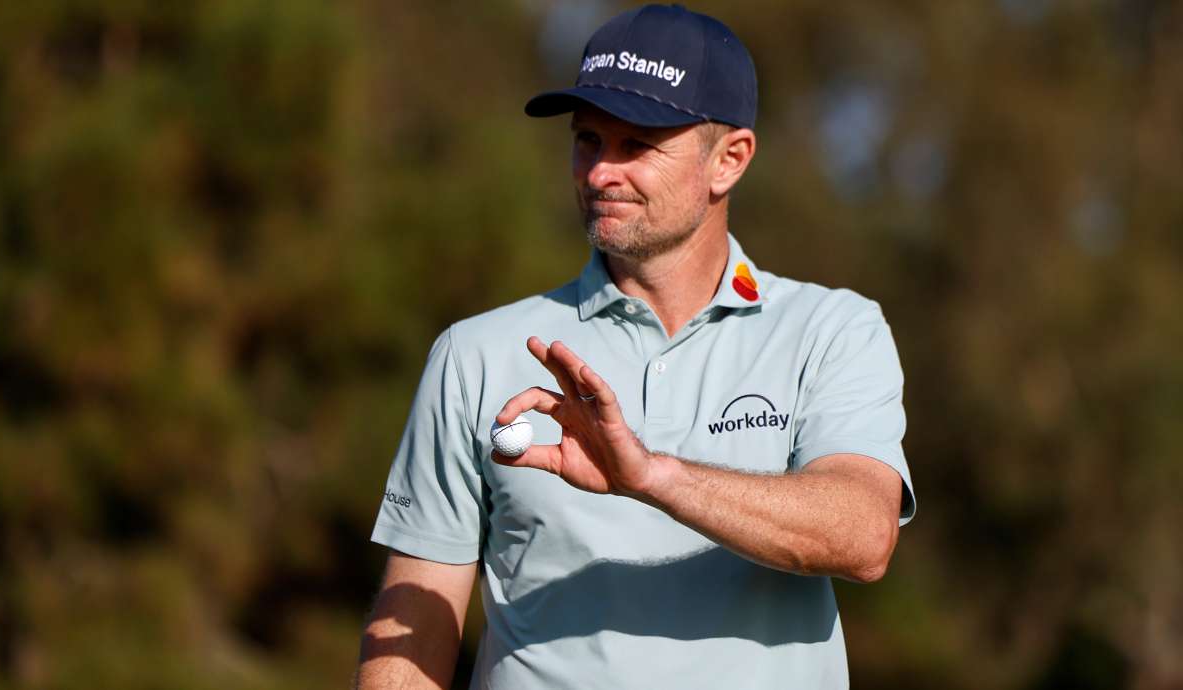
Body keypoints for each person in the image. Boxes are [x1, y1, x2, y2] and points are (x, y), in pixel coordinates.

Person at [355, 5, 915, 689]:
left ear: (728, 161)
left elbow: (861, 537)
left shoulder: (831, 330)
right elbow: (416, 615)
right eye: (588, 140)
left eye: (637, 146)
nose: (599, 174)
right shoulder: (473, 353)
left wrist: (650, 476)